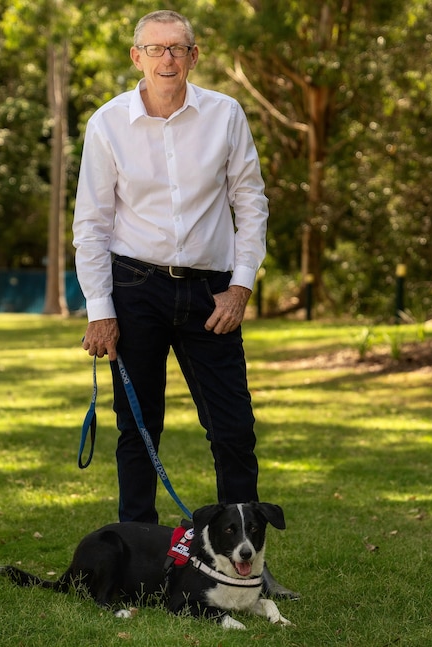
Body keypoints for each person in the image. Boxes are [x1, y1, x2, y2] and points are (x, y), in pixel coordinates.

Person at [72, 10, 297, 599]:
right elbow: (91, 221)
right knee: (137, 429)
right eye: (156, 49)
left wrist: (242, 286)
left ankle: (248, 569)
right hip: (134, 288)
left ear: (194, 57)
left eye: (179, 49)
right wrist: (100, 307)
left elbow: (251, 202)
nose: (168, 59)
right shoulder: (107, 124)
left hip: (211, 294)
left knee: (233, 429)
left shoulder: (225, 115)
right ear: (136, 57)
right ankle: (139, 563)